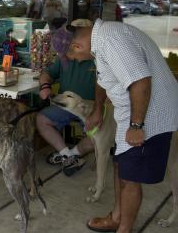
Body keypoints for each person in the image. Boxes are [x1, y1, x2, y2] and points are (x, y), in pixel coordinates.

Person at [50, 19, 178, 233]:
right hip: (130, 113)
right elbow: (103, 78)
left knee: (130, 177)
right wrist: (98, 108)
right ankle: (117, 217)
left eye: (71, 57)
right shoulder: (100, 42)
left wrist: (137, 125)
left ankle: (123, 229)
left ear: (77, 46)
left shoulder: (111, 40)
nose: (73, 60)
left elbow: (141, 81)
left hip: (151, 115)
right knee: (120, 166)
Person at [37, 19, 96, 177]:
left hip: (90, 108)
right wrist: (45, 86)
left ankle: (71, 155)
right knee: (42, 120)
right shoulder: (65, 58)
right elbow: (46, 74)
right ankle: (67, 156)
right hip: (66, 105)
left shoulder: (99, 60)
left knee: (99, 134)